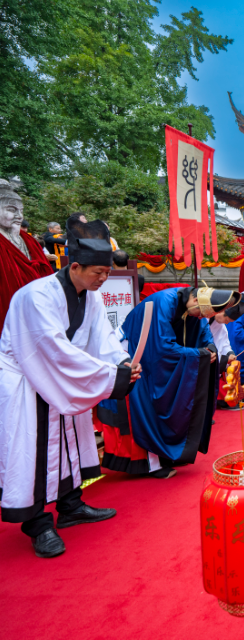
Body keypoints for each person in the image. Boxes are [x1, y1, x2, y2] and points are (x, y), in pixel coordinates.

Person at [0, 217, 140, 558]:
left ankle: (71, 506)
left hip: (59, 375)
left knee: (69, 443)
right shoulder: (36, 296)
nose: (104, 279)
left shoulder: (89, 296)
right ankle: (37, 524)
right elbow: (50, 348)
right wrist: (108, 378)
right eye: (98, 273)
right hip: (27, 378)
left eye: (107, 273)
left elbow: (101, 338)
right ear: (75, 266)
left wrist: (120, 363)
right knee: (33, 452)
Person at [101, 285, 236, 479]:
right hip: (134, 352)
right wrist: (198, 354)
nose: (199, 318)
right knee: (143, 402)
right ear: (196, 300)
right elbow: (162, 346)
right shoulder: (163, 303)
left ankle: (167, 453)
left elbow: (204, 332)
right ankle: (148, 465)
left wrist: (209, 348)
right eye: (199, 313)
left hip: (155, 356)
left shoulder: (196, 307)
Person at [0, 180, 54, 334]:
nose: (19, 216)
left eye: (21, 210)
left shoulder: (29, 240)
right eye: (11, 210)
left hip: (36, 307)